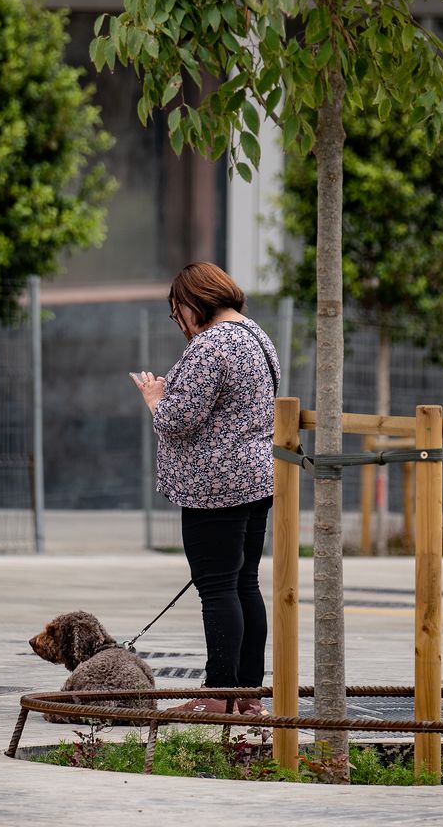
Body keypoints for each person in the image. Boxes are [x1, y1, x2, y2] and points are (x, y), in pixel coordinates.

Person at [131, 261, 279, 718]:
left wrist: (156, 398)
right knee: (244, 583)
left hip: (213, 486)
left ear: (194, 302)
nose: (180, 325)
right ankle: (247, 695)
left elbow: (179, 420)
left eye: (177, 314)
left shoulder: (211, 345)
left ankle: (218, 694)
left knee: (216, 589)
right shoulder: (257, 336)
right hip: (256, 477)